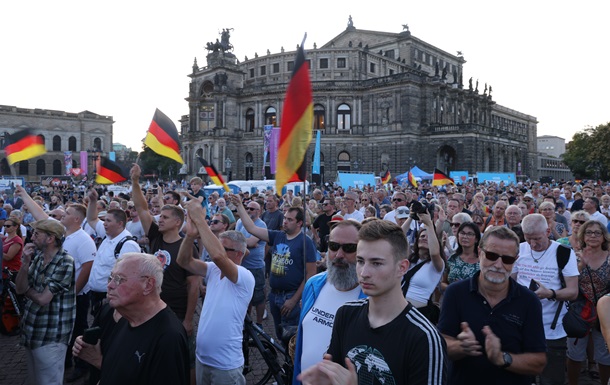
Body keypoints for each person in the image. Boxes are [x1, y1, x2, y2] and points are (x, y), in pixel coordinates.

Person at [298, 220, 447, 385]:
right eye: (360, 261)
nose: (364, 273)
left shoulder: (424, 337)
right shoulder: (345, 314)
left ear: (402, 268)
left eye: (376, 263)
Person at [438, 226, 547, 385]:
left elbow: (539, 362)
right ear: (480, 253)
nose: (498, 264)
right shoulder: (455, 293)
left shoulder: (529, 301)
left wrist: (502, 358)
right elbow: (441, 344)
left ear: (515, 261)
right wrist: (460, 346)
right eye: (491, 255)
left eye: (507, 259)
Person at [73, 253, 189, 385]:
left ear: (148, 285)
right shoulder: (127, 320)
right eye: (111, 278)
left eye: (119, 279)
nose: (110, 285)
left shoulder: (169, 337)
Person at [176, 197, 254, 385]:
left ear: (238, 253)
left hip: (225, 365)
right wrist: (190, 236)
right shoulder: (213, 269)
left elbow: (218, 256)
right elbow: (183, 262)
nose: (215, 250)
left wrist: (200, 219)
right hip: (203, 359)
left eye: (222, 246)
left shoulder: (244, 275)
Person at [230, 194, 317, 344]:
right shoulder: (277, 236)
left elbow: (310, 274)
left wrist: (294, 299)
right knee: (279, 335)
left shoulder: (306, 242)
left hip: (291, 297)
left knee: (292, 338)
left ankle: (291, 365)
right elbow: (251, 228)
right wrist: (239, 206)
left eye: (290, 220)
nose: (285, 222)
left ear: (299, 223)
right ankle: (285, 362)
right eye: (284, 218)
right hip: (274, 295)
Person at [293, 220, 366, 384]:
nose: (339, 255)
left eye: (349, 248)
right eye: (333, 246)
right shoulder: (313, 285)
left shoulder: (371, 298)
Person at [512, 213, 579, 385]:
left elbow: (573, 292)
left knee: (551, 379)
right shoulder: (519, 249)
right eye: (529, 239)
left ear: (548, 231)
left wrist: (550, 293)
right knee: (521, 377)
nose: (533, 244)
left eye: (537, 239)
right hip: (521, 327)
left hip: (552, 330)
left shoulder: (563, 253)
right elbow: (509, 283)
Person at [15, 219, 76, 385]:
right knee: (35, 380)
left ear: (50, 239)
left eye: (36, 234)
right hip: (33, 331)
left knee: (49, 381)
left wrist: (27, 291)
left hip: (51, 335)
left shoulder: (65, 261)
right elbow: (19, 289)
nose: (32, 237)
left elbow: (43, 299)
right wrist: (25, 263)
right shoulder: (37, 258)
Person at [566, 220, 610, 385]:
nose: (593, 236)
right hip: (580, 311)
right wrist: (581, 265)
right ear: (582, 235)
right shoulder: (574, 255)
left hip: (604, 314)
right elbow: (567, 282)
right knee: (575, 354)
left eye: (597, 232)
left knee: (605, 356)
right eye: (589, 232)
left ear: (603, 237)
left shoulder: (609, 257)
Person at [235, 200, 268, 326]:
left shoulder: (261, 225)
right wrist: (248, 242)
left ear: (259, 211)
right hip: (242, 264)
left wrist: (244, 243)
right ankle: (247, 322)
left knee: (258, 296)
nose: (248, 210)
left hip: (255, 266)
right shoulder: (240, 222)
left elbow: (249, 242)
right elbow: (246, 242)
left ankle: (259, 323)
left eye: (252, 209)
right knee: (245, 295)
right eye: (247, 208)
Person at [441, 222, 481, 292]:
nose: (465, 237)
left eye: (470, 234)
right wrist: (454, 289)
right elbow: (443, 283)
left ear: (476, 239)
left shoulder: (481, 261)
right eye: (462, 233)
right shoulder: (453, 258)